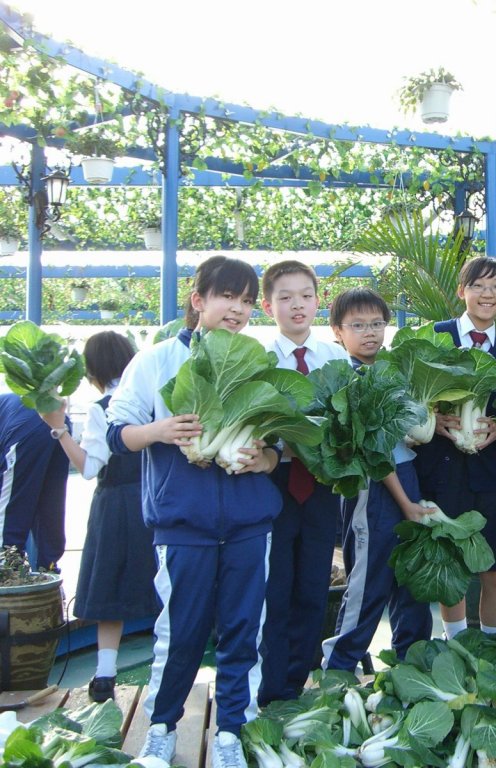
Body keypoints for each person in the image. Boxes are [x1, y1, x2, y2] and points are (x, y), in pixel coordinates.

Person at [107, 256, 283, 768]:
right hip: (183, 522)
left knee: (243, 631)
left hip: (249, 522)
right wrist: (159, 431)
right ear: (198, 300)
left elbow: (279, 446)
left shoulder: (259, 361)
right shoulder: (158, 360)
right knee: (178, 632)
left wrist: (266, 459)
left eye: (246, 300)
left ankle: (231, 731)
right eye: (227, 296)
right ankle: (162, 728)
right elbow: (118, 434)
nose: (238, 309)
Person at [39, 331, 159, 703]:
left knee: (110, 586)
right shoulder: (152, 398)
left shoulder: (101, 408)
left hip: (115, 506)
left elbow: (89, 467)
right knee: (165, 586)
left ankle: (105, 674)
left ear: (92, 369)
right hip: (158, 499)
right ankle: (165, 671)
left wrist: (59, 429)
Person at [321, 288, 433, 674]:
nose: (369, 332)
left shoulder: (391, 369)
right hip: (373, 489)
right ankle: (339, 667)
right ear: (338, 331)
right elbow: (375, 453)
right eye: (357, 325)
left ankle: (411, 665)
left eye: (376, 323)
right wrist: (406, 504)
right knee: (368, 582)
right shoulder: (345, 376)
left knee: (412, 577)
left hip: (407, 478)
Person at [258, 260, 350, 705]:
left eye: (306, 296)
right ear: (267, 306)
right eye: (285, 297)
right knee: (274, 588)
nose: (297, 305)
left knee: (314, 586)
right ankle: (269, 687)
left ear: (319, 301)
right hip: (271, 482)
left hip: (321, 483)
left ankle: (297, 685)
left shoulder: (336, 357)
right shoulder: (259, 361)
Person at [414, 257, 496, 639]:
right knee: (450, 565)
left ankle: (491, 643)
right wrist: (433, 421)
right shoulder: (436, 336)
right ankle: (455, 641)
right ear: (462, 291)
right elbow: (407, 396)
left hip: (483, 472)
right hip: (439, 469)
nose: (487, 294)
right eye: (478, 285)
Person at [0, 393, 69, 570]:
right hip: (57, 419)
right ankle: (48, 569)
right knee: (50, 506)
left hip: (23, 427)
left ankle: (6, 570)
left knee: (9, 512)